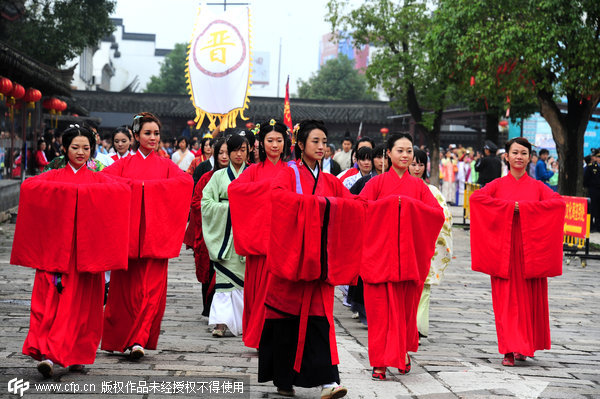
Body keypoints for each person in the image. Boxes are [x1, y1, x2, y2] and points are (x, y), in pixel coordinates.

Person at [11, 125, 131, 377]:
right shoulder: (50, 178)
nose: (81, 152)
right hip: (56, 255)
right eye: (75, 147)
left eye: (86, 148)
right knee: (50, 304)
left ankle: (77, 355)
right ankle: (47, 353)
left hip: (86, 256)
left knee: (83, 309)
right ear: (65, 148)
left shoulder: (100, 180)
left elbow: (121, 191)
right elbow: (30, 188)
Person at [259, 120, 361, 399]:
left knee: (320, 322)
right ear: (300, 145)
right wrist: (320, 206)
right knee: (284, 324)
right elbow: (279, 203)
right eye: (315, 141)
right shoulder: (286, 175)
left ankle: (329, 381)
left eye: (324, 141)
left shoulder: (330, 181)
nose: (321, 146)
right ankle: (283, 378)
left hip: (319, 267)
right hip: (291, 265)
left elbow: (352, 207)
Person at [101, 112, 193, 359]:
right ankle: (123, 339)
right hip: (128, 239)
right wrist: (140, 189)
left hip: (156, 239)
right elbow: (104, 183)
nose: (153, 138)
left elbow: (185, 184)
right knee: (126, 293)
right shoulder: (122, 165)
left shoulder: (165, 165)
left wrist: (143, 190)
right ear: (135, 136)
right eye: (147, 133)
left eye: (156, 134)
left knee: (151, 292)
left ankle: (139, 339)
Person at [470, 137, 565, 367]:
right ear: (507, 156)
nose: (519, 157)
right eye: (515, 153)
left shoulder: (537, 187)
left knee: (528, 303)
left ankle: (523, 347)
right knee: (505, 303)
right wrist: (506, 208)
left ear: (530, 157)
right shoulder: (497, 185)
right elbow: (476, 199)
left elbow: (558, 204)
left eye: (523, 153)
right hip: (505, 254)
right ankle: (508, 350)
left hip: (529, 254)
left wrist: (525, 210)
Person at [359, 133, 444, 381]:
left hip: (409, 261)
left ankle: (401, 353)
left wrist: (406, 205)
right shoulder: (375, 184)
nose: (405, 155)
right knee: (379, 314)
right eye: (400, 151)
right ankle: (379, 362)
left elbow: (435, 215)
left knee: (405, 313)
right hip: (379, 259)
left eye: (409, 151)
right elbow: (360, 209)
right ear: (388, 154)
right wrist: (390, 205)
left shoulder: (419, 187)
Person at [228, 119, 291, 349]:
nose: (275, 145)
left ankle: (276, 337)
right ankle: (258, 336)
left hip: (283, 243)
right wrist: (269, 191)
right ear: (261, 144)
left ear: (286, 143)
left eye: (279, 140)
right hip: (259, 243)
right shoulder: (253, 171)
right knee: (257, 294)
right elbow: (235, 191)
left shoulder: (292, 171)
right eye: (270, 140)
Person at [201, 134, 249, 337]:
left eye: (243, 150)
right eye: (235, 150)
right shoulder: (218, 177)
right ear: (228, 153)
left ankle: (242, 323)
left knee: (243, 284)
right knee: (222, 283)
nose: (239, 154)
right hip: (224, 239)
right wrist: (229, 208)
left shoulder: (252, 174)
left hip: (246, 237)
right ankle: (220, 323)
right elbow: (205, 203)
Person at [409, 149, 453, 338]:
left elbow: (445, 219)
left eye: (420, 164)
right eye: (413, 163)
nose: (417, 168)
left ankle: (418, 327)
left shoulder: (433, 191)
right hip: (406, 244)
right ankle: (409, 326)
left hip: (426, 245)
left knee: (424, 288)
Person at [184, 137, 229, 317]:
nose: (224, 156)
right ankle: (210, 308)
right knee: (209, 272)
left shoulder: (243, 177)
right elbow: (196, 203)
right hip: (210, 232)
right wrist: (220, 208)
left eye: (228, 152)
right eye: (221, 153)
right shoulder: (206, 177)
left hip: (232, 233)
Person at [584, 149, 600, 232]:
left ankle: (598, 226)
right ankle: (590, 227)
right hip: (593, 191)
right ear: (596, 158)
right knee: (592, 209)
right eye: (598, 157)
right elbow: (585, 180)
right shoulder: (591, 167)